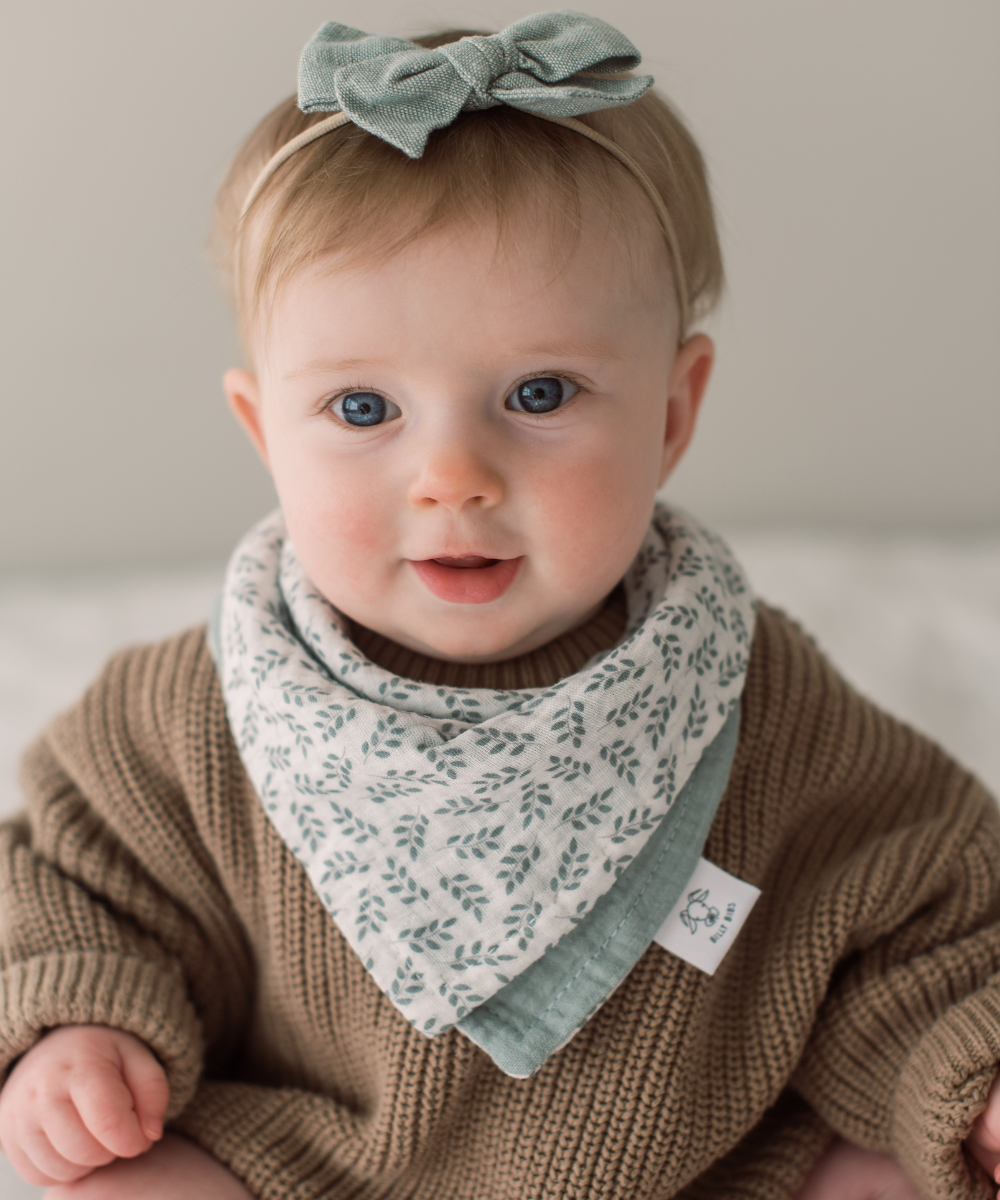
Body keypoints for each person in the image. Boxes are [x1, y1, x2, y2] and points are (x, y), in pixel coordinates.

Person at [0, 13, 998, 1200]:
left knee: (883, 1163)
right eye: (363, 411)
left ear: (672, 414)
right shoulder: (195, 710)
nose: (453, 475)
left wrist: (969, 1071)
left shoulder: (743, 690)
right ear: (265, 430)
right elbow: (79, 887)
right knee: (111, 1180)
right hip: (307, 1167)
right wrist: (79, 1033)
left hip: (690, 1168)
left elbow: (914, 927)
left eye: (538, 393)